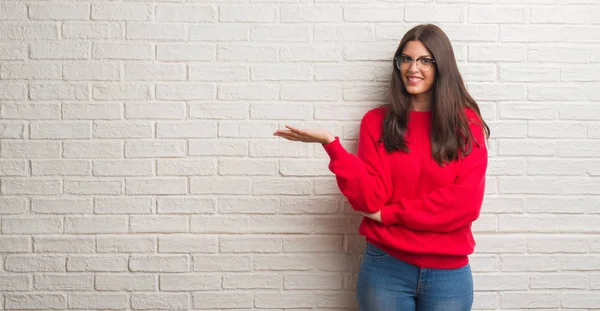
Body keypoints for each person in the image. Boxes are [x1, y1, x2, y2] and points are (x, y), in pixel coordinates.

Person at [273, 24, 490, 311]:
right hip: (386, 267)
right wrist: (332, 146)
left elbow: (464, 205)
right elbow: (369, 200)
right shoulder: (376, 122)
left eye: (425, 60)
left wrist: (389, 214)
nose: (413, 68)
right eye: (407, 59)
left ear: (442, 66)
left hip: (448, 272)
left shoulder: (467, 125)